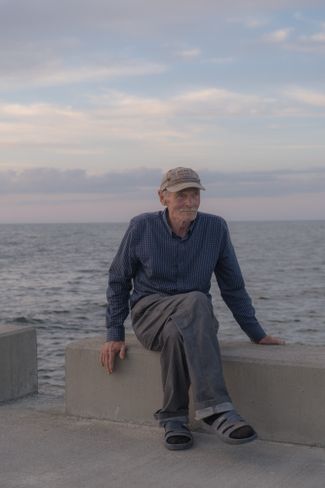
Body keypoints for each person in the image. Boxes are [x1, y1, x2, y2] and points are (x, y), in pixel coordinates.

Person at [100, 166, 284, 451]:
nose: (189, 201)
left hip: (192, 320)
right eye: (181, 195)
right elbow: (118, 279)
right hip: (149, 314)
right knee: (196, 299)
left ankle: (173, 419)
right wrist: (114, 333)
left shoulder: (215, 228)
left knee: (177, 333)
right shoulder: (141, 227)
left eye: (194, 194)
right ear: (163, 198)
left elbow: (232, 286)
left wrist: (256, 333)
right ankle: (216, 409)